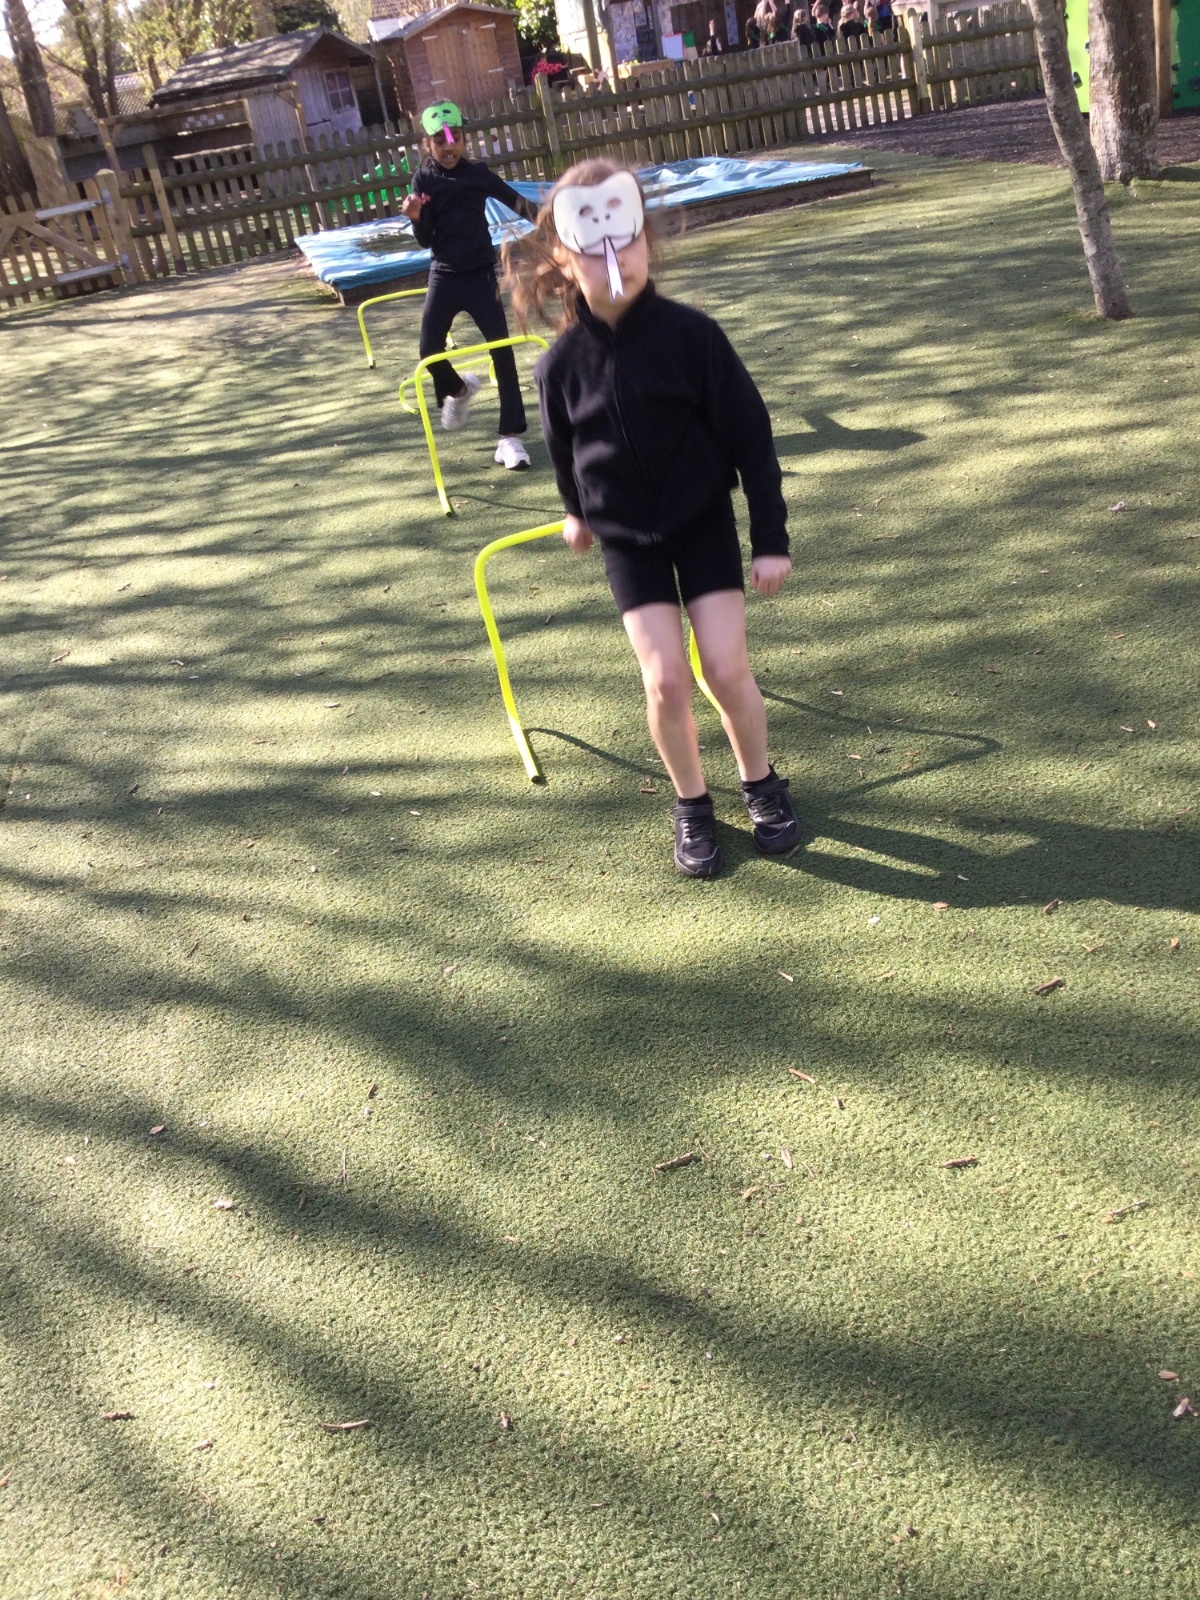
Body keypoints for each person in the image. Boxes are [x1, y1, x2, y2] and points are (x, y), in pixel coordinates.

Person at [502, 160, 799, 879]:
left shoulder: (693, 337)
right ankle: (692, 802)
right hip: (628, 542)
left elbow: (751, 439)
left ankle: (760, 782)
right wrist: (576, 512)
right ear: (563, 259)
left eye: (627, 238)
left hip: (700, 523)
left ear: (646, 243)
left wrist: (770, 540)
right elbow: (564, 449)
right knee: (665, 680)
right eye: (594, 244)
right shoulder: (559, 367)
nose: (615, 256)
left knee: (724, 667)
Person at [401, 101, 538, 471]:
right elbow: (425, 240)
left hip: (480, 276)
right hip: (444, 275)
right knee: (428, 349)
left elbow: (517, 202)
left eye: (455, 138)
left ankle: (510, 437)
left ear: (463, 139)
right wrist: (416, 218)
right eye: (439, 141)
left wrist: (555, 221)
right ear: (427, 145)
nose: (449, 147)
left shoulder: (478, 173)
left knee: (502, 352)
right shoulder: (423, 181)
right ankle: (458, 390)